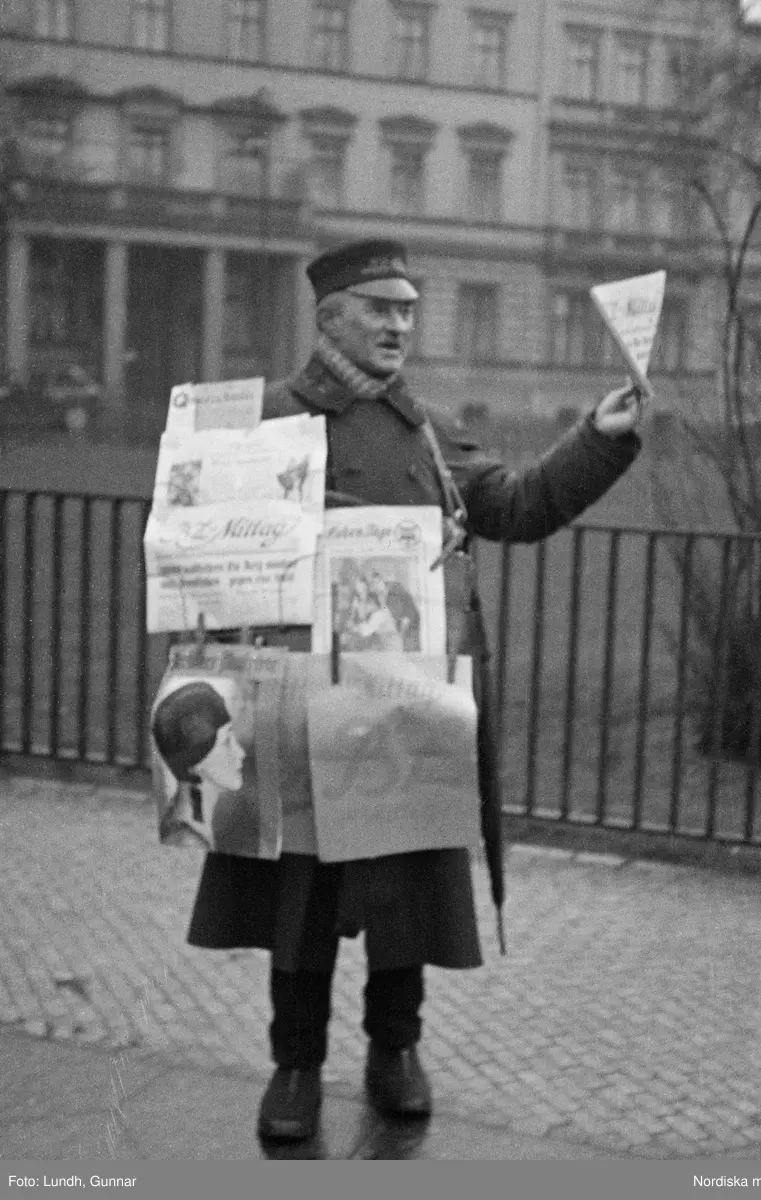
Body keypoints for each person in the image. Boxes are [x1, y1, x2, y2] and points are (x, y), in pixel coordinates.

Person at [185, 238, 643, 1142]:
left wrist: (600, 436)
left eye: (407, 308)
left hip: (403, 704)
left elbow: (516, 505)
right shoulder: (261, 421)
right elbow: (199, 549)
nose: (399, 323)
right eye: (379, 307)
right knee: (301, 903)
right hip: (299, 706)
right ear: (329, 317)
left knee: (404, 894)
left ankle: (396, 1052)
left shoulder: (424, 430)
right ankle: (294, 1067)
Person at [152, 678, 246, 850]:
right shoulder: (188, 838)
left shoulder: (203, 823)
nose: (240, 752)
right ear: (196, 759)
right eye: (226, 741)